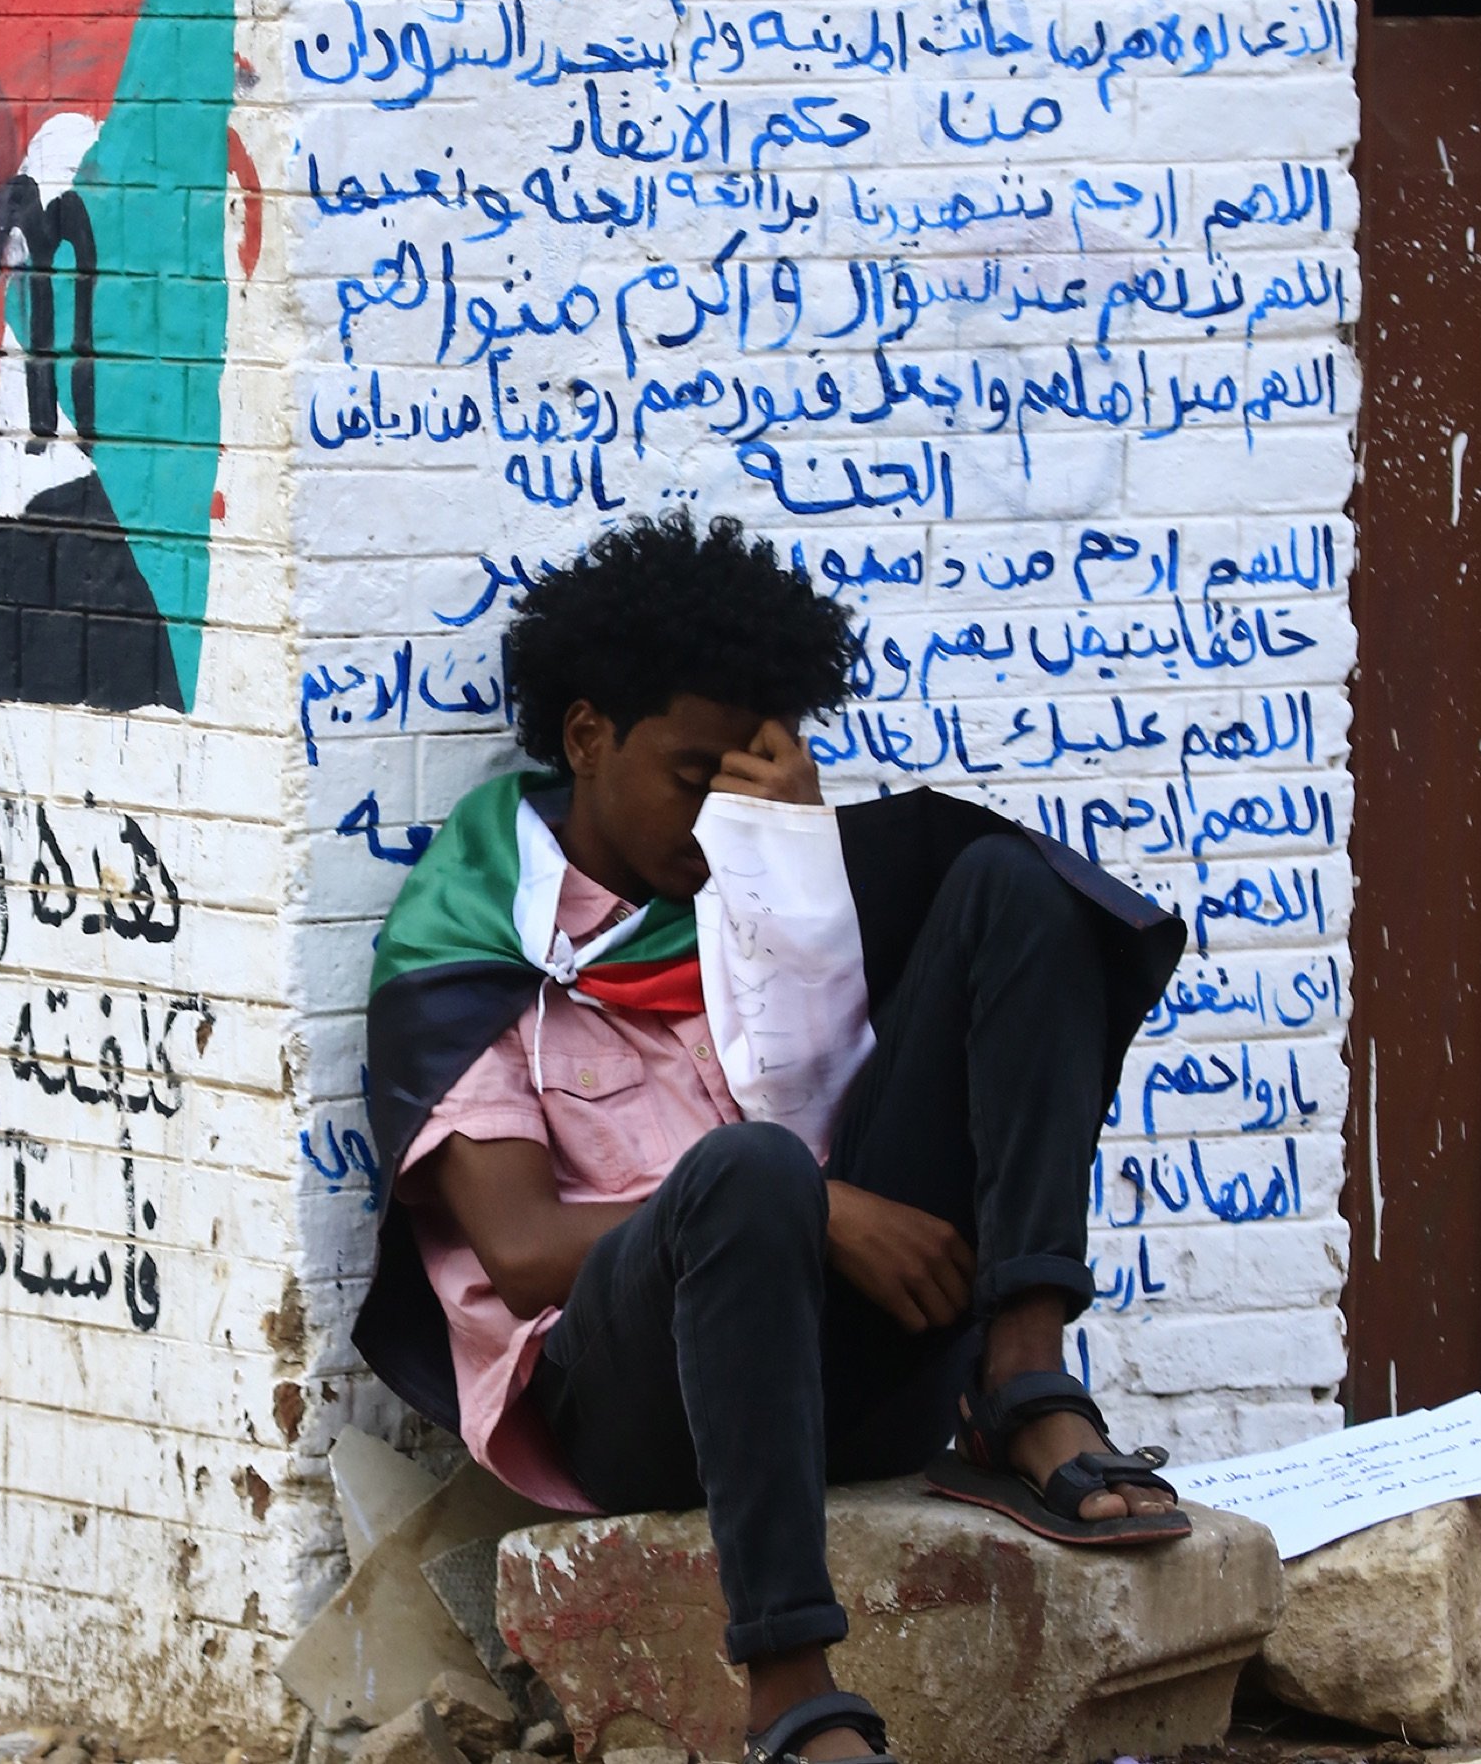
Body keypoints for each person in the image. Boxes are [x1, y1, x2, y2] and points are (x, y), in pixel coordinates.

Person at [354, 513, 1191, 1764]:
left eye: (748, 777)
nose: (716, 818)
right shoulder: (471, 933)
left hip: (846, 1369)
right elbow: (521, 1252)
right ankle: (793, 1694)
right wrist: (822, 1206)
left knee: (1015, 885)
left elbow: (897, 1073)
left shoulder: (754, 877)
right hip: (643, 1404)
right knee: (746, 1175)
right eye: (695, 776)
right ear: (587, 736)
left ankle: (1021, 1380)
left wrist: (790, 867)